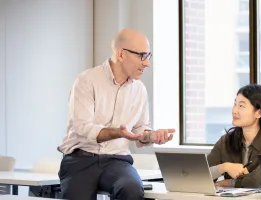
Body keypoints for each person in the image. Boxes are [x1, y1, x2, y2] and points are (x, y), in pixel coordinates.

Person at [57, 29, 175, 200]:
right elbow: (82, 128)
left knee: (131, 189)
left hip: (116, 161)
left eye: (148, 56)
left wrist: (151, 135)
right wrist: (118, 133)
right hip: (80, 159)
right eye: (142, 56)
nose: (147, 63)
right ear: (121, 54)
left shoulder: (139, 89)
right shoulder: (86, 81)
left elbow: (140, 129)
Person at [206, 84, 261, 188]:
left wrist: (229, 183)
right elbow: (200, 176)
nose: (234, 111)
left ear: (258, 113)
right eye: (235, 104)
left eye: (241, 106)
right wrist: (224, 167)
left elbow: (256, 182)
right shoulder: (225, 141)